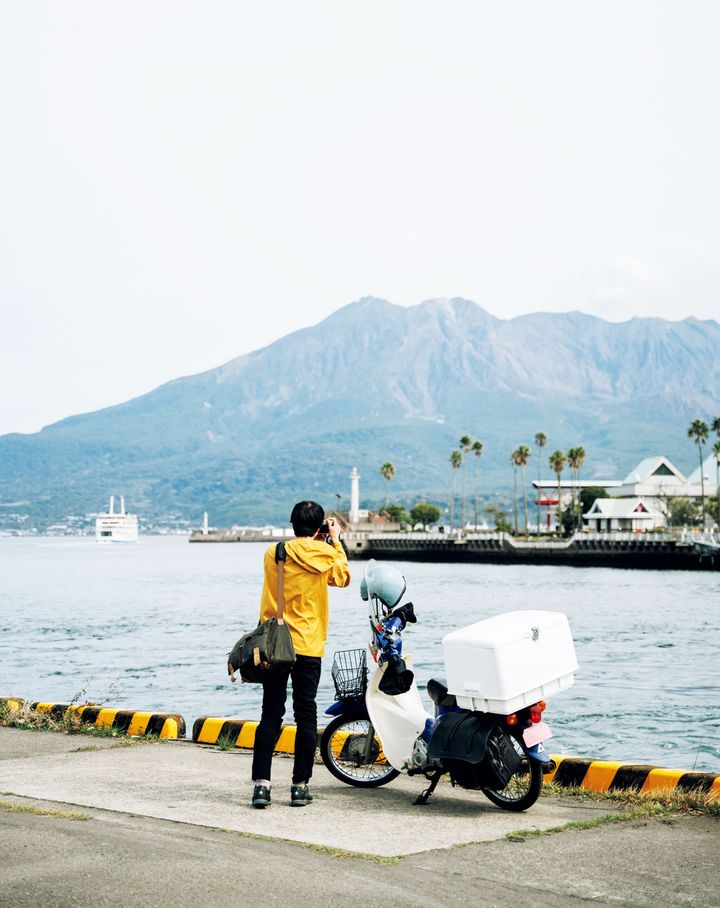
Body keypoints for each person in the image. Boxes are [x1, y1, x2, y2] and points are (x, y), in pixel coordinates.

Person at [251, 500, 351, 808]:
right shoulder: (328, 554)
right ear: (319, 525)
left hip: (277, 643)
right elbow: (342, 578)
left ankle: (262, 787)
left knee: (271, 714)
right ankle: (299, 786)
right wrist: (334, 540)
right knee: (306, 714)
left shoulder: (275, 553)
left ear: (293, 524)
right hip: (309, 644)